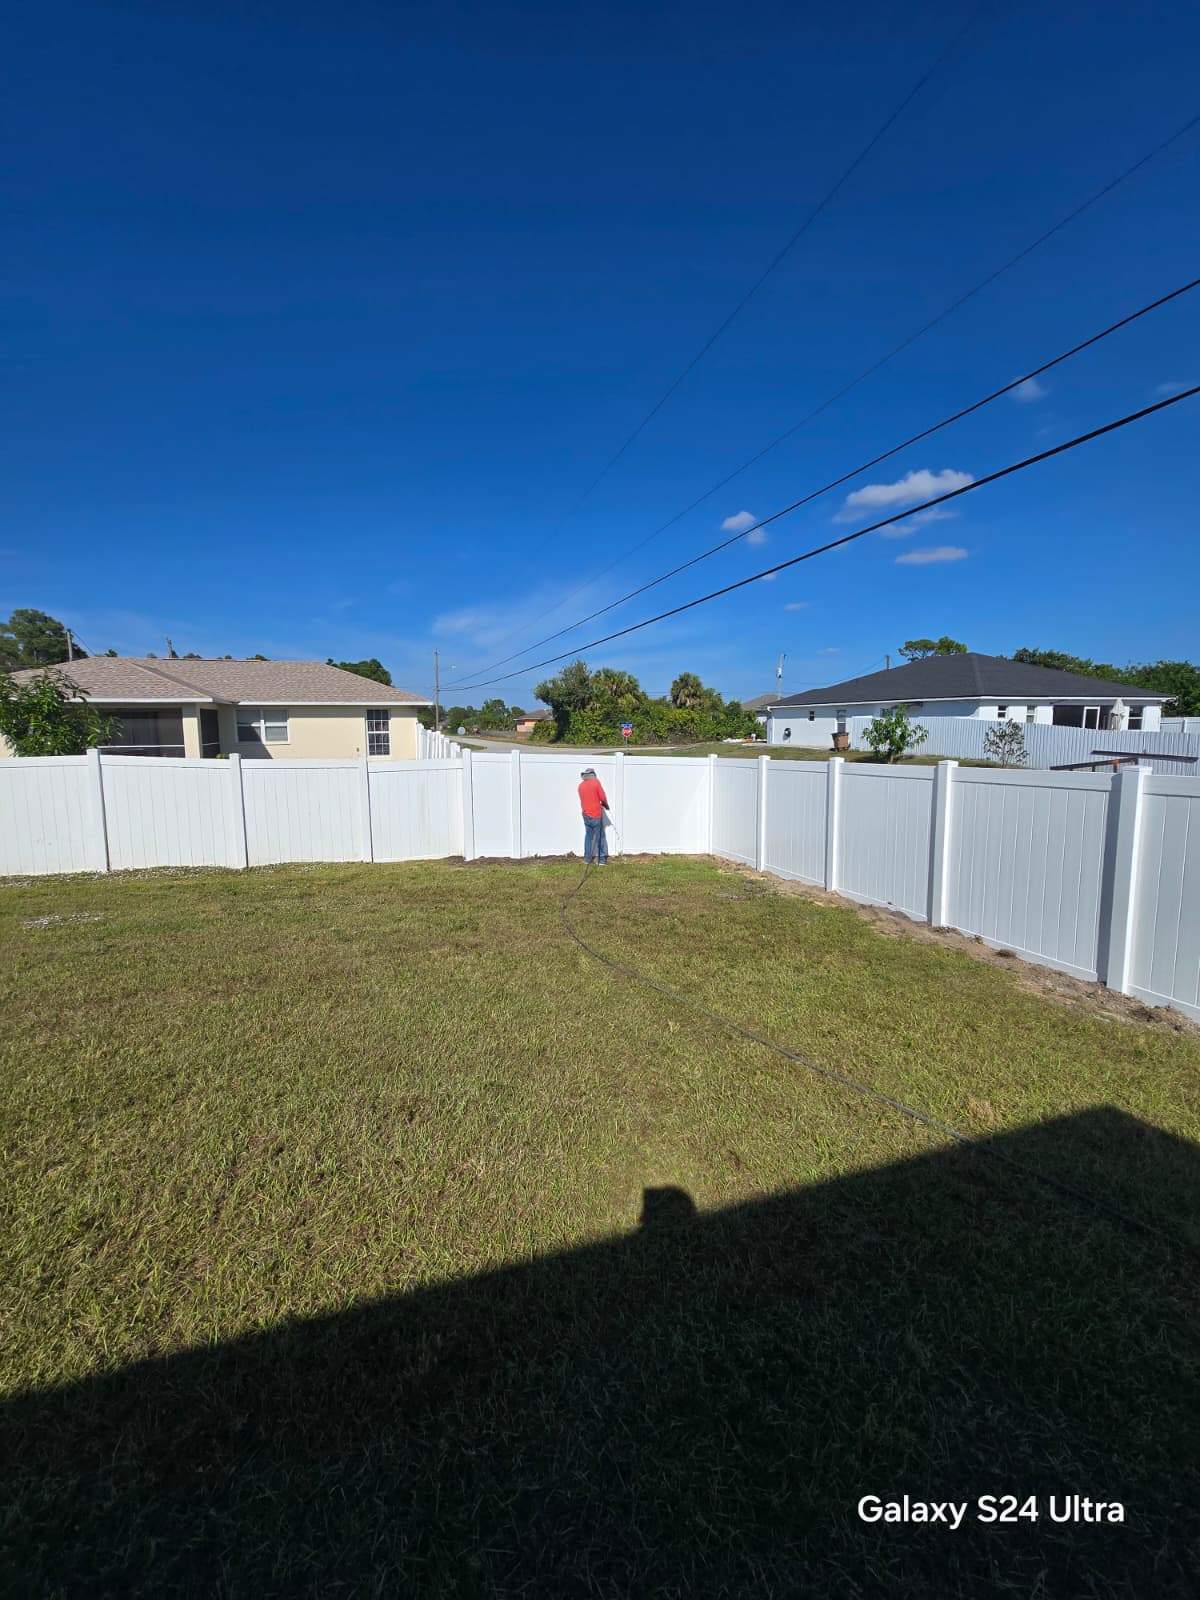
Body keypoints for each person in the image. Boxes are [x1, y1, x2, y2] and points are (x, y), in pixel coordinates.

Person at [577, 766, 609, 865]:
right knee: (601, 837)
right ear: (593, 775)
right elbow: (602, 797)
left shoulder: (580, 786)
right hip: (596, 814)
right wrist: (606, 805)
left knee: (588, 836)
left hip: (585, 814)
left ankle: (587, 859)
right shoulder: (596, 782)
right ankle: (602, 860)